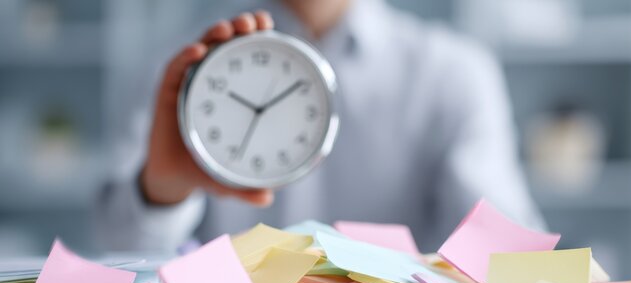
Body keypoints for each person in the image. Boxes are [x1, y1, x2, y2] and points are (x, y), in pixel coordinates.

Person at [94, 0, 545, 254]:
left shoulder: (454, 73)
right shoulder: (182, 72)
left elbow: (507, 257)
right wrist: (161, 191)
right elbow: (117, 258)